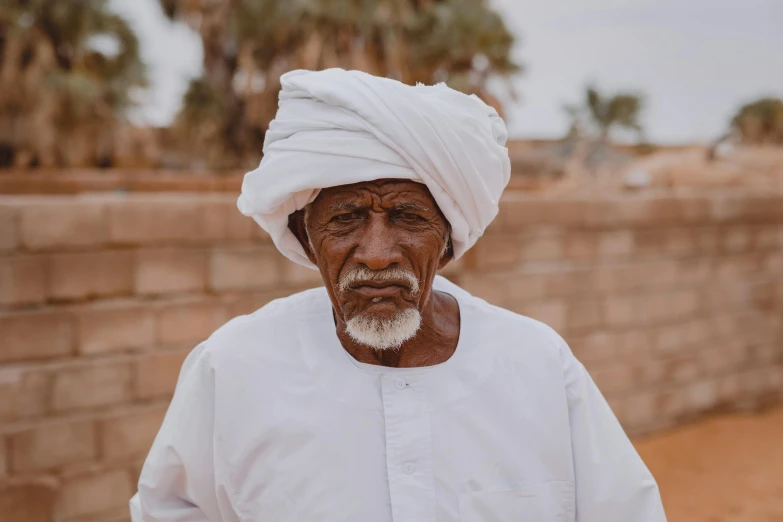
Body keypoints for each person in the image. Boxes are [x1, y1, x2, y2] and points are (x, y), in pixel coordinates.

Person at [130, 69, 666, 522]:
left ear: (450, 242)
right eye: (346, 218)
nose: (378, 254)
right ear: (306, 237)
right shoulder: (234, 365)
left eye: (408, 217)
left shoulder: (537, 363)